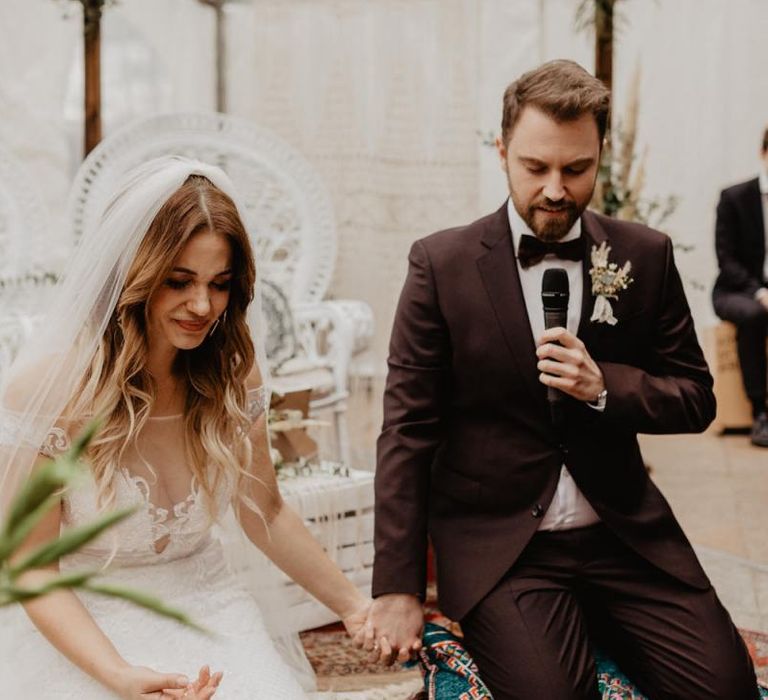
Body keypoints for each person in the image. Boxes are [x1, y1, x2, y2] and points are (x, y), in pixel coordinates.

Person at [363, 60, 759, 699]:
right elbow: (407, 430)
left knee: (726, 690)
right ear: (502, 152)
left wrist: (606, 386)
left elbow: (696, 398)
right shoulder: (441, 265)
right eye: (535, 167)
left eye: (576, 170)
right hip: (507, 551)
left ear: (599, 156)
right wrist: (397, 587)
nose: (555, 189)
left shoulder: (644, 255)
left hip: (624, 537)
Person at [0, 156, 370, 698]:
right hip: (85, 620)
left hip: (206, 602)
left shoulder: (231, 372)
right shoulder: (48, 389)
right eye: (178, 282)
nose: (202, 305)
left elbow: (264, 510)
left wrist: (354, 606)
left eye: (219, 284)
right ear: (133, 275)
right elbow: (31, 568)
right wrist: (120, 676)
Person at [713, 127, 768, 447]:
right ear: (763, 154)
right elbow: (726, 259)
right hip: (736, 291)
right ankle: (759, 411)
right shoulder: (734, 198)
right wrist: (760, 293)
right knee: (753, 316)